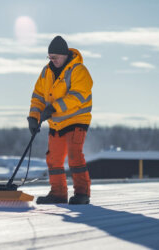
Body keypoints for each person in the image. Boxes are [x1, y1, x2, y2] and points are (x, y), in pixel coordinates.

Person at [27, 35, 93, 205]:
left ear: (64, 55)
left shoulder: (79, 70)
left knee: (74, 157)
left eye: (55, 57)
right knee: (53, 159)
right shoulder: (46, 72)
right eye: (50, 57)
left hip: (77, 120)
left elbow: (78, 96)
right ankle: (58, 193)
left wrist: (54, 107)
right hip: (56, 122)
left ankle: (82, 194)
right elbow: (38, 97)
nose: (52, 60)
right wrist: (33, 118)